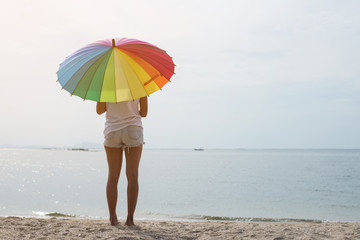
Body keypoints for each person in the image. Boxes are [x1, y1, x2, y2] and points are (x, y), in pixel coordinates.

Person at [96, 97, 148, 226]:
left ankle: (113, 218)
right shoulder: (138, 82)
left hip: (112, 130)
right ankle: (130, 220)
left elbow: (99, 110)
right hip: (133, 129)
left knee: (113, 177)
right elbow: (144, 113)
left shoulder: (106, 83)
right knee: (133, 176)